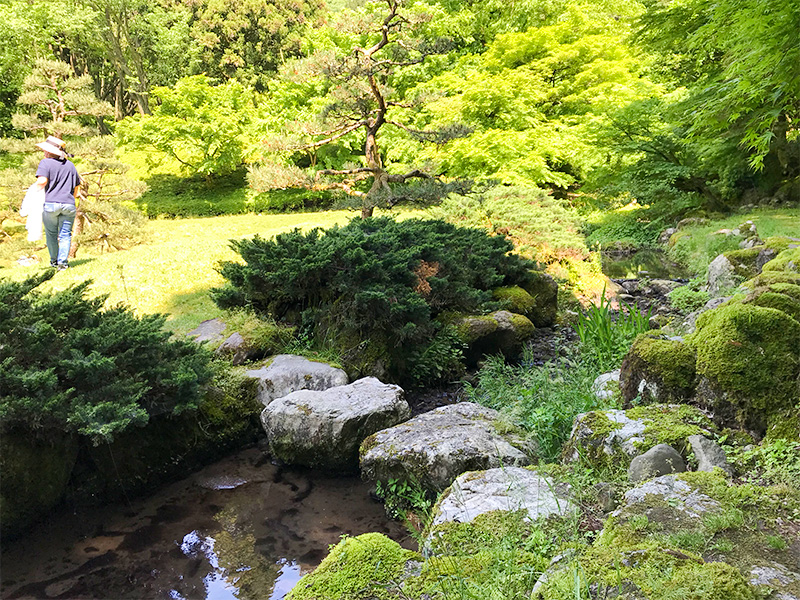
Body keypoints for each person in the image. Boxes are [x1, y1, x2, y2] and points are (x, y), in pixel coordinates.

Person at [34, 136, 81, 270]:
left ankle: (54, 261)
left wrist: (33, 190)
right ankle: (63, 263)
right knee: (65, 234)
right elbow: (77, 189)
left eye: (45, 150)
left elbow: (42, 181)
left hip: (51, 204)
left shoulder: (45, 163)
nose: (43, 152)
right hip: (69, 204)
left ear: (49, 152)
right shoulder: (70, 165)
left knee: (51, 234)